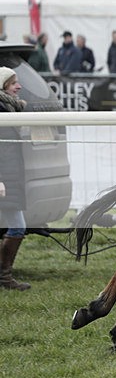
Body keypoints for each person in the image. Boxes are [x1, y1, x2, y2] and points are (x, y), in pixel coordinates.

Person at [0, 67, 31, 290]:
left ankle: (4, 278)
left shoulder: (11, 109)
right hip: (4, 181)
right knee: (18, 227)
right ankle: (4, 278)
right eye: (13, 83)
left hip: (10, 179)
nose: (18, 86)